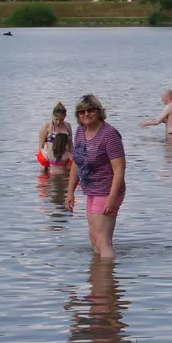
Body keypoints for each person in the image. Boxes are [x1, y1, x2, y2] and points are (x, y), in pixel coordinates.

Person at [67, 94, 127, 259]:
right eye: (81, 112)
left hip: (108, 190)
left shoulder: (109, 134)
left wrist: (112, 197)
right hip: (91, 191)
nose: (86, 114)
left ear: (98, 111)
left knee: (103, 240)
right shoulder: (80, 132)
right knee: (94, 239)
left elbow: (119, 169)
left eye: (90, 110)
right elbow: (76, 163)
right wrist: (70, 192)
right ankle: (98, 280)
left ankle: (108, 279)